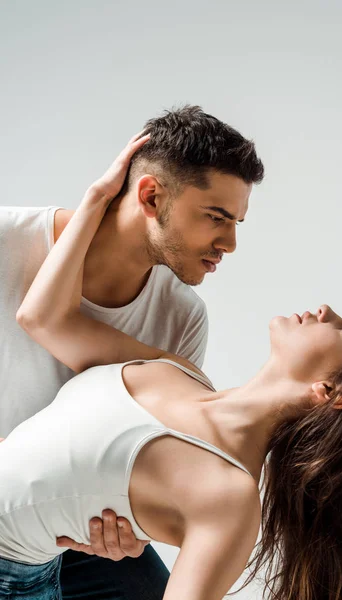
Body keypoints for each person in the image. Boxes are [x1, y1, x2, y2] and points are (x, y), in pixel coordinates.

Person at [1, 138, 342, 600]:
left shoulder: (230, 500)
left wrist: (128, 536)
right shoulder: (176, 370)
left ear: (331, 391)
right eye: (218, 216)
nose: (329, 311)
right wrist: (99, 197)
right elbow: (43, 319)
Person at [0, 108, 264, 598]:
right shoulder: (6, 242)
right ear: (150, 195)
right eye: (216, 217)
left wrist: (128, 529)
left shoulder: (182, 318)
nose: (229, 243)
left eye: (236, 222)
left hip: (70, 529)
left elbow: (141, 449)